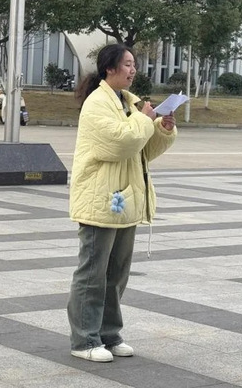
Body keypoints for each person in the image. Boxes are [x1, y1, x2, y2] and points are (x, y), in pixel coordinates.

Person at [67, 44, 176, 363]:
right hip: (100, 199)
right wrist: (144, 121)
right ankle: (84, 339)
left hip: (124, 199)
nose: (133, 70)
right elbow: (120, 144)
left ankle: (109, 333)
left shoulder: (130, 102)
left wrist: (162, 129)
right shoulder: (96, 103)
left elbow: (142, 150)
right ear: (109, 68)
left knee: (116, 273)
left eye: (134, 64)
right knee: (93, 272)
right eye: (127, 64)